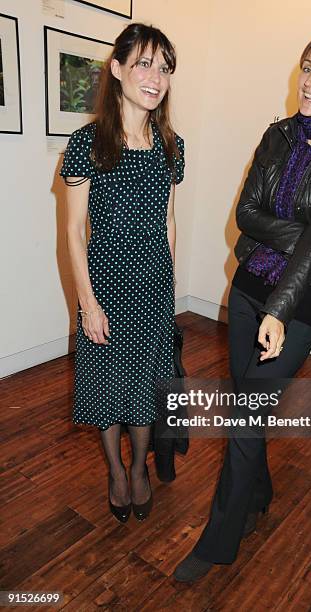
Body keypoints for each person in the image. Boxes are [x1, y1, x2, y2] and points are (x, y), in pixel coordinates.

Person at [174, 31, 311, 581]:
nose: (310, 81)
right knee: (248, 406)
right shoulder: (278, 134)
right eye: (307, 67)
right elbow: (248, 214)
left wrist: (280, 311)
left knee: (242, 416)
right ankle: (258, 490)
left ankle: (218, 544)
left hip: (296, 305)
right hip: (246, 290)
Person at [60, 23, 185, 523]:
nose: (155, 77)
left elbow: (169, 220)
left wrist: (169, 288)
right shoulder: (87, 143)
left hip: (152, 287)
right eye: (144, 64)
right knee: (108, 388)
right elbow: (73, 232)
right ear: (116, 70)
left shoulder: (171, 145)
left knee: (144, 388)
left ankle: (139, 471)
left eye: (164, 67)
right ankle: (116, 472)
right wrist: (88, 304)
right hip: (105, 288)